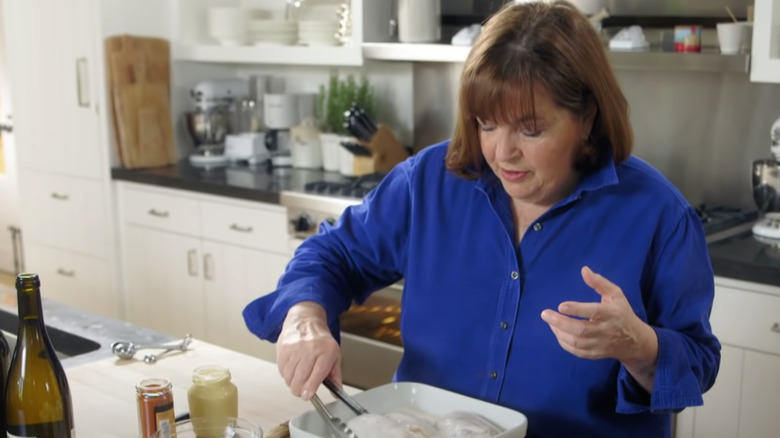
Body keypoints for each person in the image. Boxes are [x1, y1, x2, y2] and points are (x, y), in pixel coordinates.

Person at [243, 1, 721, 437]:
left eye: (530, 129)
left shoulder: (660, 217)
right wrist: (305, 316)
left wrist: (639, 345)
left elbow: (697, 363)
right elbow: (334, 254)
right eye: (486, 124)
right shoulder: (430, 181)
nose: (502, 151)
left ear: (587, 117)